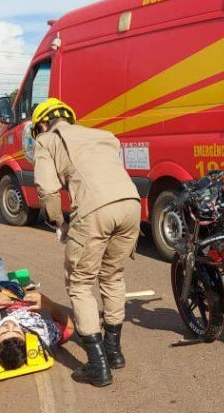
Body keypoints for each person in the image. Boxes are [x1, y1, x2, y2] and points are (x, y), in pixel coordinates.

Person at [31, 98, 141, 387]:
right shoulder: (104, 136)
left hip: (95, 210)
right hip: (131, 205)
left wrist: (59, 223)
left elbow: (48, 190)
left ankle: (96, 365)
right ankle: (113, 352)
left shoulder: (46, 140)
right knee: (113, 276)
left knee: (80, 283)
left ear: (43, 123)